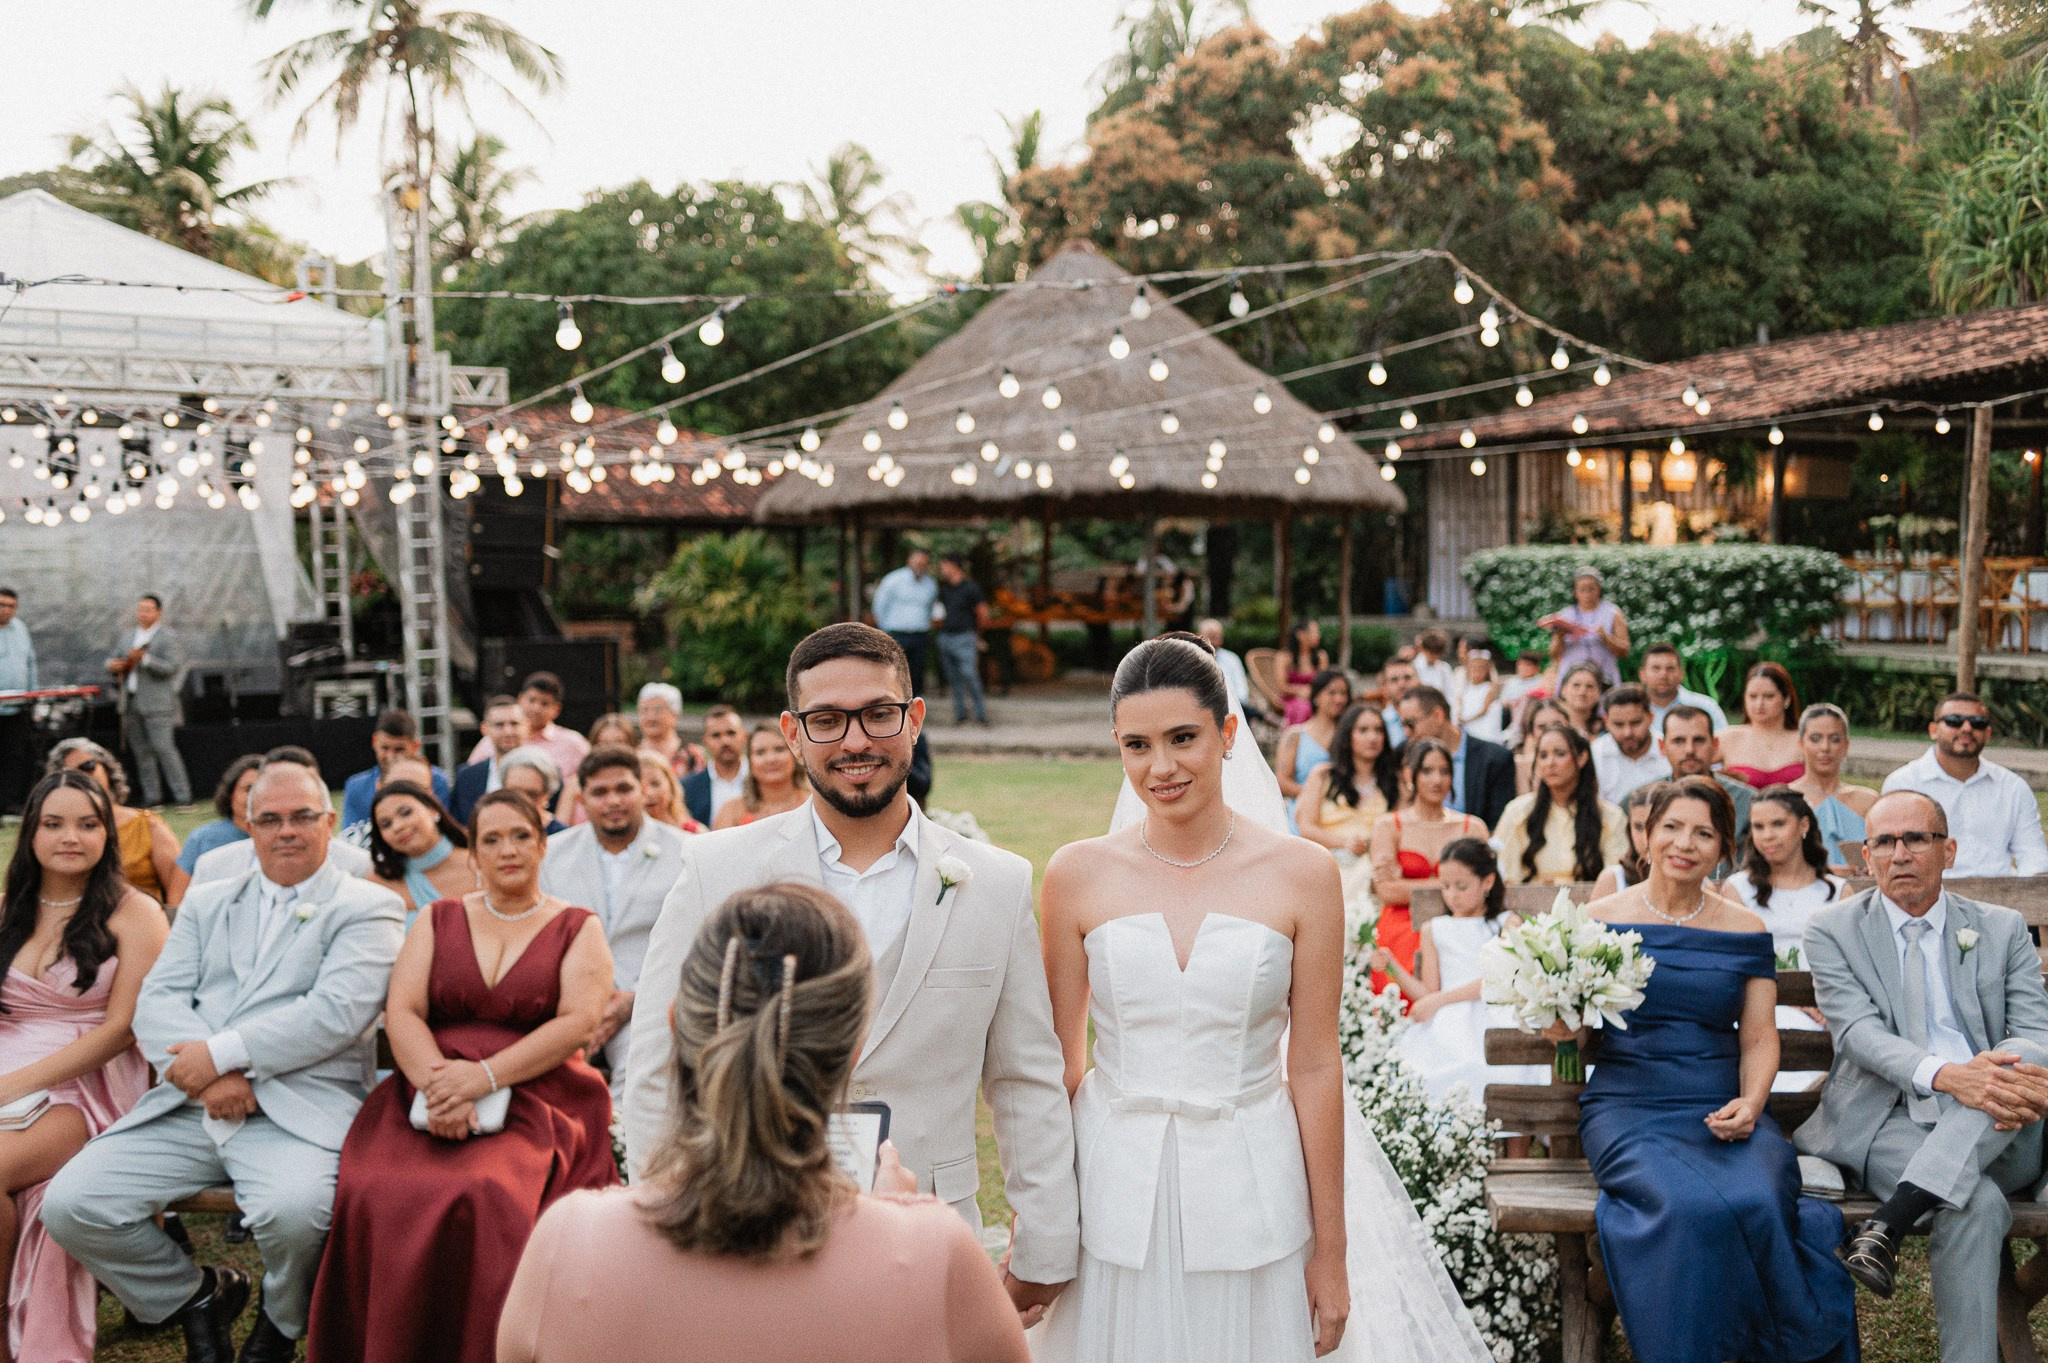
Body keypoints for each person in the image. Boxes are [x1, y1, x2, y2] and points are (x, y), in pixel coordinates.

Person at [1032, 633, 1491, 1363]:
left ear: (1228, 732)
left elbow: (1312, 1065)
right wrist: (1042, 1225)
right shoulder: (1076, 875)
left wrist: (1331, 1254)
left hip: (1254, 1185)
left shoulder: (1303, 874)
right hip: (1114, 1191)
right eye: (1137, 744)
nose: (1162, 766)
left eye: (1183, 737)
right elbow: (1057, 1067)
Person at [623, 623, 1080, 1321]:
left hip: (930, 1236)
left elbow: (1025, 1076)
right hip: (748, 1230)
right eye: (827, 720)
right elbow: (658, 1059)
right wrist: (663, 1220)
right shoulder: (717, 870)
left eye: (878, 713)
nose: (856, 740)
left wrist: (1045, 1247)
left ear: (915, 718)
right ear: (793, 732)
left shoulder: (995, 881)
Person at [497, 882, 1031, 1363]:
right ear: (852, 1050)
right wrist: (894, 1219)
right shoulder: (935, 1254)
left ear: (675, 1023)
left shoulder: (568, 1244)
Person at [41, 761, 406, 1363]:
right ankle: (198, 1295)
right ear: (248, 826)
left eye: (301, 817)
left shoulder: (367, 906)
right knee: (74, 1203)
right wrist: (210, 1079)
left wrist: (219, 1056)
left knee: (295, 1214)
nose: (285, 831)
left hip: (299, 1108)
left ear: (330, 823)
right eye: (270, 819)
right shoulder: (209, 901)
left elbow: (335, 1014)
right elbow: (157, 999)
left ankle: (282, 1324)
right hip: (192, 1106)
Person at [304, 789, 614, 1363]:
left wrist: (486, 1078)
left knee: (489, 1192)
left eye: (521, 836)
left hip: (538, 1093)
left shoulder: (577, 926)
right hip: (428, 1089)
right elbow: (403, 1012)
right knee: (378, 1189)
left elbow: (577, 1024)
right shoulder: (438, 918)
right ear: (472, 853)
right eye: (491, 839)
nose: (508, 850)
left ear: (544, 846)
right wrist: (438, 1088)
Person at [1563, 777, 1858, 1363]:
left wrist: (1752, 1104)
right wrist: (1557, 1025)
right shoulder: (1595, 918)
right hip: (1629, 1107)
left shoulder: (1744, 929)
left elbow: (1758, 1037)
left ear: (1724, 848)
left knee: (1759, 1195)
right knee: (1682, 1205)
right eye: (1671, 828)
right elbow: (1571, 1038)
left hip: (1723, 1104)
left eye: (1704, 833)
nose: (1685, 844)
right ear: (1645, 836)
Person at [1804, 794, 2048, 1356]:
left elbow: (2035, 1035)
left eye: (1916, 839)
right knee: (1976, 1205)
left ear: (1949, 850)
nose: (1900, 854)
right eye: (1884, 843)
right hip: (1887, 1120)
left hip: (2000, 1122)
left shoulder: (2000, 926)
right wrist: (1948, 1076)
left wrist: (1980, 1086)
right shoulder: (1833, 929)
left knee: (2028, 1052)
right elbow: (1858, 1035)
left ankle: (1891, 1220)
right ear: (1866, 858)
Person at [0, 771, 167, 1363]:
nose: (70, 836)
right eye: (54, 823)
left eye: (88, 824)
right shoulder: (7, 910)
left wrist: (11, 1085)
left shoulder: (134, 912)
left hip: (81, 1087)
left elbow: (121, 1029)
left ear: (108, 833)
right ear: (32, 833)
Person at [539, 748, 688, 1097]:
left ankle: (623, 1149)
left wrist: (637, 1000)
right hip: (566, 1002)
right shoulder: (551, 854)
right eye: (600, 793)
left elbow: (698, 943)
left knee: (640, 1079)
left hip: (651, 1001)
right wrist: (580, 1004)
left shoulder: (686, 851)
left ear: (643, 791)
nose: (613, 801)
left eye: (623, 789)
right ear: (582, 799)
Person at [1379, 838, 1542, 1124]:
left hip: (1494, 1010)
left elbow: (1495, 979)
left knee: (1510, 1064)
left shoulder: (1506, 924)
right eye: (1445, 886)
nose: (1452, 895)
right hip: (1450, 1019)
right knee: (1435, 1062)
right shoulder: (1435, 929)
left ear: (1488, 881)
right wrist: (1392, 965)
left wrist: (1437, 1001)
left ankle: (1515, 1147)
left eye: (1462, 886)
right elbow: (1428, 991)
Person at [1726, 787, 1844, 1093]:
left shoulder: (1837, 892)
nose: (1767, 836)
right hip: (1758, 1005)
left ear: (1803, 826)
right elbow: (1733, 963)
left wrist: (1822, 1002)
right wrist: (1792, 999)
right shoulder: (1738, 890)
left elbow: (1850, 964)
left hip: (1825, 1007)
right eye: (1758, 827)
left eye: (1778, 824)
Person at [1882, 691, 2048, 877]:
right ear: (1933, 730)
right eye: (1954, 721)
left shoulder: (2013, 788)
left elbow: (2033, 855)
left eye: (1978, 723)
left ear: (1987, 733)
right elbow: (1890, 854)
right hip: (1927, 898)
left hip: (1999, 896)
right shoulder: (1903, 784)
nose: (1967, 728)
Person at [1368, 740, 1488, 997]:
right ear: (1411, 775)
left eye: (1444, 771)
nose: (1437, 779)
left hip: (1459, 922)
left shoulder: (1472, 827)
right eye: (1427, 771)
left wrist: (1406, 884)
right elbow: (1387, 892)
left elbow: (1487, 884)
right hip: (1403, 923)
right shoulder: (1389, 826)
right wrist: (1458, 883)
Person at [46, 739, 186, 908]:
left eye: (88, 766)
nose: (82, 777)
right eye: (71, 774)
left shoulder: (146, 825)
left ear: (107, 769)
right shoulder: (53, 834)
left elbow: (179, 891)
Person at [1296, 704, 1400, 914]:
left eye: (1378, 730)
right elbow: (1306, 827)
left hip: (1374, 868)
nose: (1372, 737)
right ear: (1347, 735)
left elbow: (1402, 827)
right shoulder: (1323, 776)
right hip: (1331, 864)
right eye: (1363, 730)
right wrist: (1345, 843)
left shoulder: (1394, 781)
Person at [1495, 724, 1627, 885]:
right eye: (1543, 756)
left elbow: (1615, 880)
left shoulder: (1610, 815)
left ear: (1582, 758)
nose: (1550, 763)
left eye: (1560, 754)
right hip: (1528, 907)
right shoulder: (1517, 812)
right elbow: (1507, 878)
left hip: (1593, 906)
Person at [105, 594, 192, 808]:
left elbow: (171, 668)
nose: (143, 613)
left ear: (158, 613)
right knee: (142, 752)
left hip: (157, 704)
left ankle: (183, 797)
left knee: (164, 748)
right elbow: (111, 660)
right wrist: (112, 666)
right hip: (130, 701)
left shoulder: (167, 637)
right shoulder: (128, 637)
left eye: (148, 609)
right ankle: (153, 798)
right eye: (140, 609)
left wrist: (144, 659)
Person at [1395, 685, 1518, 831]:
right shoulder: (1403, 753)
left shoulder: (1494, 759)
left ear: (1438, 716)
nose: (1407, 732)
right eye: (1403, 725)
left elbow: (1498, 826)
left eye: (1410, 724)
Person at [365, 779, 475, 925]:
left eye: (405, 813)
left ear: (432, 809)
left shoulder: (479, 864)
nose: (397, 826)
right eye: (386, 824)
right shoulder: (378, 883)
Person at [1792, 703, 1877, 873]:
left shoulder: (1868, 801)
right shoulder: (1788, 799)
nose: (1825, 748)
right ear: (1801, 744)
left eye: (1834, 739)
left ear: (1846, 745)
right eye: (1815, 739)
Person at [1660, 705, 1754, 856]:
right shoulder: (1646, 799)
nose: (1689, 749)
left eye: (1699, 740)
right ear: (1662, 746)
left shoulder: (1747, 801)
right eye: (1679, 741)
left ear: (1715, 744)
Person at [468, 674, 591, 788]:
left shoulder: (573, 743)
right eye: (532, 700)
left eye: (545, 703)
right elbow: (472, 777)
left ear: (557, 709)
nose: (536, 709)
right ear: (520, 699)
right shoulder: (493, 741)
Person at [340, 711, 451, 830]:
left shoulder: (436, 780)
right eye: (385, 748)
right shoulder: (356, 787)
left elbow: (441, 829)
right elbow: (350, 838)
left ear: (415, 746)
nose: (390, 757)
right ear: (375, 742)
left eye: (399, 749)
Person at [1277, 669, 1350, 831]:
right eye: (1331, 693)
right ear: (1316, 696)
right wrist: (1315, 795)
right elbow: (1282, 780)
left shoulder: (1350, 734)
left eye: (1343, 693)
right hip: (1303, 806)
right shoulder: (1295, 735)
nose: (1339, 699)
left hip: (1342, 807)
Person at [1718, 661, 1806, 789]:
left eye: (1769, 696)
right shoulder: (1726, 738)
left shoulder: (1805, 740)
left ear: (1786, 699)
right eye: (1753, 696)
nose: (1759, 704)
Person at [1541, 566, 1629, 686]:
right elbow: (1554, 655)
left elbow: (1624, 652)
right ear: (1575, 592)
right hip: (1572, 681)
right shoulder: (1566, 614)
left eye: (1591, 589)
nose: (1587, 594)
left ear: (1599, 589)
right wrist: (1559, 636)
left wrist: (1605, 637)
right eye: (1582, 589)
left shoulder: (1612, 612)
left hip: (1604, 678)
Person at [176, 755, 264, 874]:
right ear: (230, 794)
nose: (255, 797)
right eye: (248, 789)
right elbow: (179, 892)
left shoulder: (289, 836)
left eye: (264, 789)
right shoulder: (203, 838)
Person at [713, 724, 811, 829]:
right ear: (750, 761)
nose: (771, 759)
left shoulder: (814, 804)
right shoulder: (732, 810)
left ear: (794, 754)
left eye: (779, 749)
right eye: (760, 753)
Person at [871, 548, 939, 696]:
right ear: (909, 561)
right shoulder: (893, 580)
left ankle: (914, 706)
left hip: (920, 634)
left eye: (923, 563)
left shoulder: (930, 584)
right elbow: (879, 606)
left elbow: (930, 608)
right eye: (917, 562)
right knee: (894, 670)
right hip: (896, 633)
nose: (919, 566)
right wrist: (884, 630)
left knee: (917, 672)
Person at [451, 695, 528, 825]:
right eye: (499, 725)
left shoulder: (545, 773)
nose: (508, 731)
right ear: (484, 729)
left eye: (514, 723)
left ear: (527, 726)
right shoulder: (467, 777)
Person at [933, 555, 991, 727]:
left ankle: (981, 715)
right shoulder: (944, 590)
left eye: (944, 565)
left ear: (953, 566)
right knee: (953, 678)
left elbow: (983, 614)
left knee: (969, 675)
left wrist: (976, 635)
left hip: (965, 637)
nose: (942, 569)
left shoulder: (971, 588)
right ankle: (961, 716)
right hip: (946, 637)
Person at [1590, 684, 1671, 806]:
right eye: (1618, 724)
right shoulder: (1595, 754)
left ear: (1650, 717)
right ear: (1606, 722)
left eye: (1635, 723)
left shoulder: (1671, 751)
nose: (1628, 733)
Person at [1639, 642, 1727, 734]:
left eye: (1670, 669)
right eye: (1656, 669)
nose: (1663, 675)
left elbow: (1724, 743)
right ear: (1642, 674)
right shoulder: (1633, 711)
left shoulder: (1706, 707)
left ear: (1681, 674)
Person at [681, 705, 748, 827]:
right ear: (705, 741)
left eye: (731, 733)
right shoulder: (687, 788)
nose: (725, 741)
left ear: (744, 736)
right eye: (716, 735)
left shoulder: (764, 780)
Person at [0, 588, 35, 818]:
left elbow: (30, 662)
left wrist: (32, 696)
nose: (6, 610)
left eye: (11, 606)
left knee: (15, 755)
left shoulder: (20, 629)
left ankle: (9, 803)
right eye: (2, 604)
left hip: (17, 707)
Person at [637, 683, 705, 778]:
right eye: (644, 710)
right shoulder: (632, 754)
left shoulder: (692, 754)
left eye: (658, 709)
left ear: (675, 715)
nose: (650, 716)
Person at [499, 746, 569, 836]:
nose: (521, 800)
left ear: (547, 795)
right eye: (514, 793)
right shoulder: (487, 829)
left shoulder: (563, 837)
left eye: (531, 795)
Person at [1512, 699, 1575, 796]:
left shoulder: (1580, 761)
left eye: (1557, 724)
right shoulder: (1520, 766)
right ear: (1532, 733)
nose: (1550, 731)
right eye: (1542, 727)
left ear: (1568, 726)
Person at [1196, 618, 1256, 719]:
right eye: (1210, 636)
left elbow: (1242, 691)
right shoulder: (1189, 659)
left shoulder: (1232, 659)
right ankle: (1262, 716)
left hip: (1230, 707)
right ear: (1198, 635)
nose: (1213, 641)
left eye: (1217, 637)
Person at [1278, 619, 1329, 727]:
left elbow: (1325, 683)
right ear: (1301, 635)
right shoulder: (1284, 657)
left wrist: (1311, 692)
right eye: (1315, 632)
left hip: (1315, 697)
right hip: (1291, 700)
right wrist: (1300, 691)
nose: (1318, 636)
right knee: (1303, 707)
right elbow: (1282, 687)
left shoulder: (1321, 657)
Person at [1453, 644, 1508, 743]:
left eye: (1480, 669)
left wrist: (1466, 719)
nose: (1476, 672)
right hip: (1466, 725)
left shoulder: (1488, 688)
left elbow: (1484, 710)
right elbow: (1461, 703)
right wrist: (1460, 716)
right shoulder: (1466, 688)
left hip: (1481, 726)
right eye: (1473, 668)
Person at [639, 752, 699, 833]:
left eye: (655, 784)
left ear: (671, 785)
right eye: (640, 786)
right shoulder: (623, 839)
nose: (649, 793)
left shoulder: (694, 832)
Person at [1555, 661, 1607, 739]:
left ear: (1599, 693)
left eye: (1589, 686)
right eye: (1576, 685)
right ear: (1563, 690)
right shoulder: (1551, 725)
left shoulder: (1607, 729)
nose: (1582, 692)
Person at [1378, 655, 1418, 747]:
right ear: (1384, 688)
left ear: (1418, 681)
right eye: (1394, 680)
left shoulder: (1430, 719)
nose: (1402, 684)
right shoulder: (1379, 724)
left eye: (1407, 678)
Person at [1412, 627, 1456, 696]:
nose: (1435, 657)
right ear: (1423, 649)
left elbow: (1450, 694)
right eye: (1431, 653)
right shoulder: (1413, 667)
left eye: (1437, 654)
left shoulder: (1445, 668)